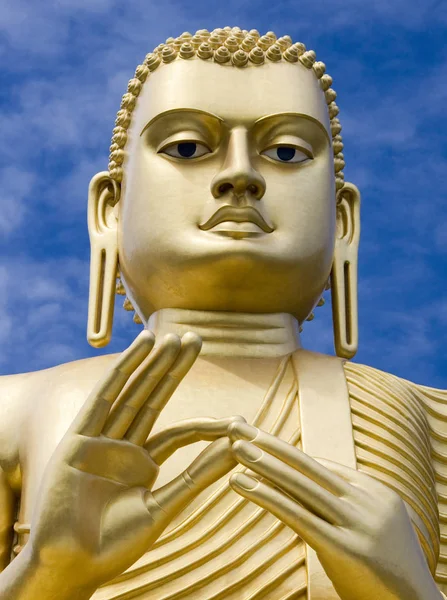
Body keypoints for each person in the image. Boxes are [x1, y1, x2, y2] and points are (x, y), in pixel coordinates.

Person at [0, 27, 445, 600]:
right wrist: (47, 574)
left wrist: (406, 588)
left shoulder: (425, 418)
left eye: (286, 152)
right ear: (109, 210)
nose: (242, 176)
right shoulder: (13, 410)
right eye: (186, 147)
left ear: (342, 222)